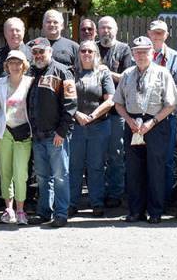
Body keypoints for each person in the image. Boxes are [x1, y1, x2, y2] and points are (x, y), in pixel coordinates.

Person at [113, 36, 177, 224]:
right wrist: (128, 120)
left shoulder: (162, 73)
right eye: (137, 51)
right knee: (134, 170)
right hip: (133, 124)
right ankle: (135, 211)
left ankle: (155, 211)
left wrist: (153, 122)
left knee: (156, 169)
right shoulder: (126, 75)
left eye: (145, 51)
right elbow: (118, 103)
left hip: (155, 124)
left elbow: (171, 104)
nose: (141, 55)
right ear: (133, 54)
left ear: (152, 53)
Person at [26, 37, 77, 227]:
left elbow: (71, 105)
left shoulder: (63, 72)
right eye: (35, 52)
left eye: (42, 51)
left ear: (50, 52)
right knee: (42, 177)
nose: (38, 55)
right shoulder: (30, 73)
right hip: (37, 136)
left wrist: (62, 132)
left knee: (60, 176)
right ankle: (44, 212)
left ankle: (61, 213)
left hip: (56, 136)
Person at [68, 41, 114, 217]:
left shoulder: (103, 72)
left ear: (96, 53)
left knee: (96, 166)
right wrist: (77, 114)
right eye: (83, 50)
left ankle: (97, 203)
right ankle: (72, 203)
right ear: (79, 53)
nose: (86, 53)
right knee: (74, 166)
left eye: (90, 51)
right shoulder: (71, 72)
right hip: (76, 126)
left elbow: (110, 100)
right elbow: (65, 98)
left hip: (99, 126)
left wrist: (93, 115)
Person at [0, 50, 34, 225]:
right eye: (11, 63)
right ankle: (8, 209)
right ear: (6, 66)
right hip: (4, 131)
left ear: (24, 66)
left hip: (24, 131)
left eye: (18, 63)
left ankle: (21, 210)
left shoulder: (30, 83)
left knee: (21, 173)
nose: (15, 66)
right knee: (5, 171)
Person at [146, 19, 177, 204]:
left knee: (167, 161)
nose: (157, 36)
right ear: (149, 34)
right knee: (141, 160)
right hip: (141, 117)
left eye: (161, 33)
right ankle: (143, 201)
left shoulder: (175, 57)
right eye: (154, 32)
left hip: (166, 116)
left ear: (166, 35)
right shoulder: (139, 53)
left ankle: (164, 202)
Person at [97, 16, 133, 208]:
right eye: (102, 28)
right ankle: (98, 192)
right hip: (95, 113)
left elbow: (127, 78)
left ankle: (115, 193)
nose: (106, 32)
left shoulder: (124, 50)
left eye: (109, 28)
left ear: (116, 30)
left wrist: (105, 72)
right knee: (96, 157)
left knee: (116, 155)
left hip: (116, 113)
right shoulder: (91, 49)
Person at [0, 17, 33, 81]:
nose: (14, 33)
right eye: (11, 30)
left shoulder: (33, 54)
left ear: (23, 32)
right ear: (5, 33)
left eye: (18, 30)